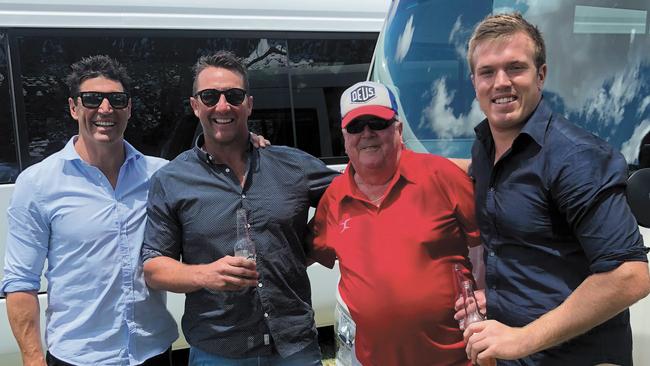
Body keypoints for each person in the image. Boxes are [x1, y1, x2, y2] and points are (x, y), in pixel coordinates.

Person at [463, 13, 650, 365]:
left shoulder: (576, 158)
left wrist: (521, 339)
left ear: (541, 75)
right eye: (487, 71)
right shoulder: (484, 148)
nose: (501, 82)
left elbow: (630, 276)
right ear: (474, 82)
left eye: (515, 68)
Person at [140, 50, 338, 366]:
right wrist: (205, 275)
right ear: (195, 106)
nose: (222, 106)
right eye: (209, 96)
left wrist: (316, 244)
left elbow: (354, 196)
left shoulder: (292, 166)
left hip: (294, 346)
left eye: (233, 95)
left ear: (248, 104)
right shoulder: (171, 179)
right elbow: (153, 267)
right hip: (218, 351)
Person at [0, 55, 178, 365]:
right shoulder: (39, 184)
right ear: (74, 107)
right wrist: (32, 358)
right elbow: (20, 283)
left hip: (153, 352)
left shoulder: (160, 176)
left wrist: (248, 146)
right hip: (78, 358)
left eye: (117, 100)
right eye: (92, 99)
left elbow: (213, 180)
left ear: (129, 108)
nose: (105, 109)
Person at [310, 80, 481, 366]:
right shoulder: (334, 199)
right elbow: (296, 256)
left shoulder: (442, 176)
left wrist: (488, 293)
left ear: (398, 130)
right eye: (356, 126)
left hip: (456, 359)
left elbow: (495, 242)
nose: (367, 133)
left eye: (377, 122)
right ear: (344, 138)